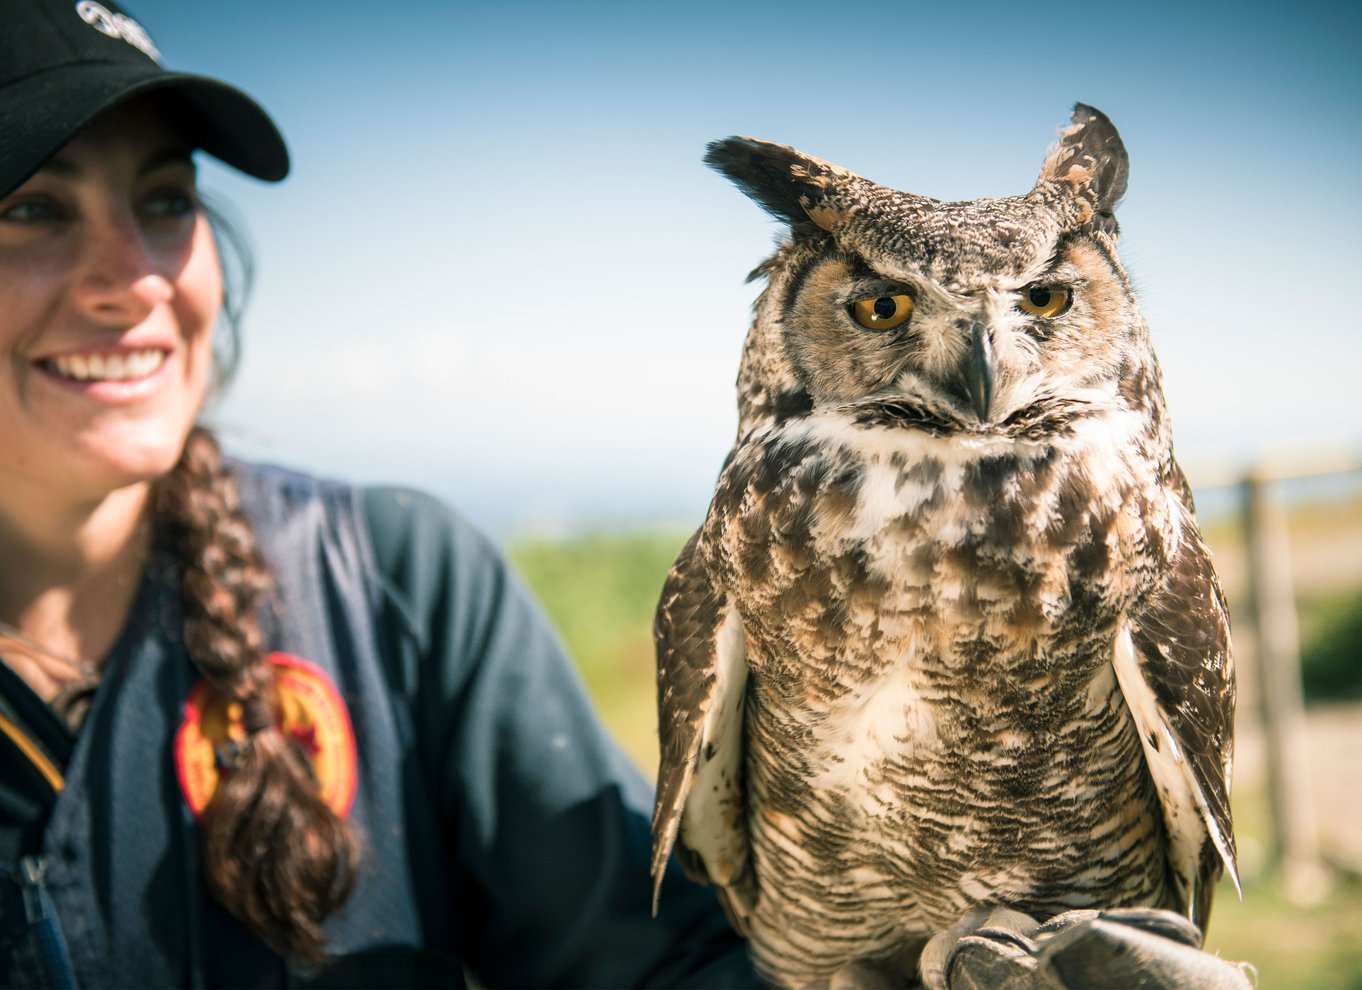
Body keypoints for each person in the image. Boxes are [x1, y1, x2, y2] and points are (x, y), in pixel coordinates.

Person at [0, 0, 757, 985]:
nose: (136, 277)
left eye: (166, 201)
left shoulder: (392, 581)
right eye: (32, 209)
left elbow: (668, 966)